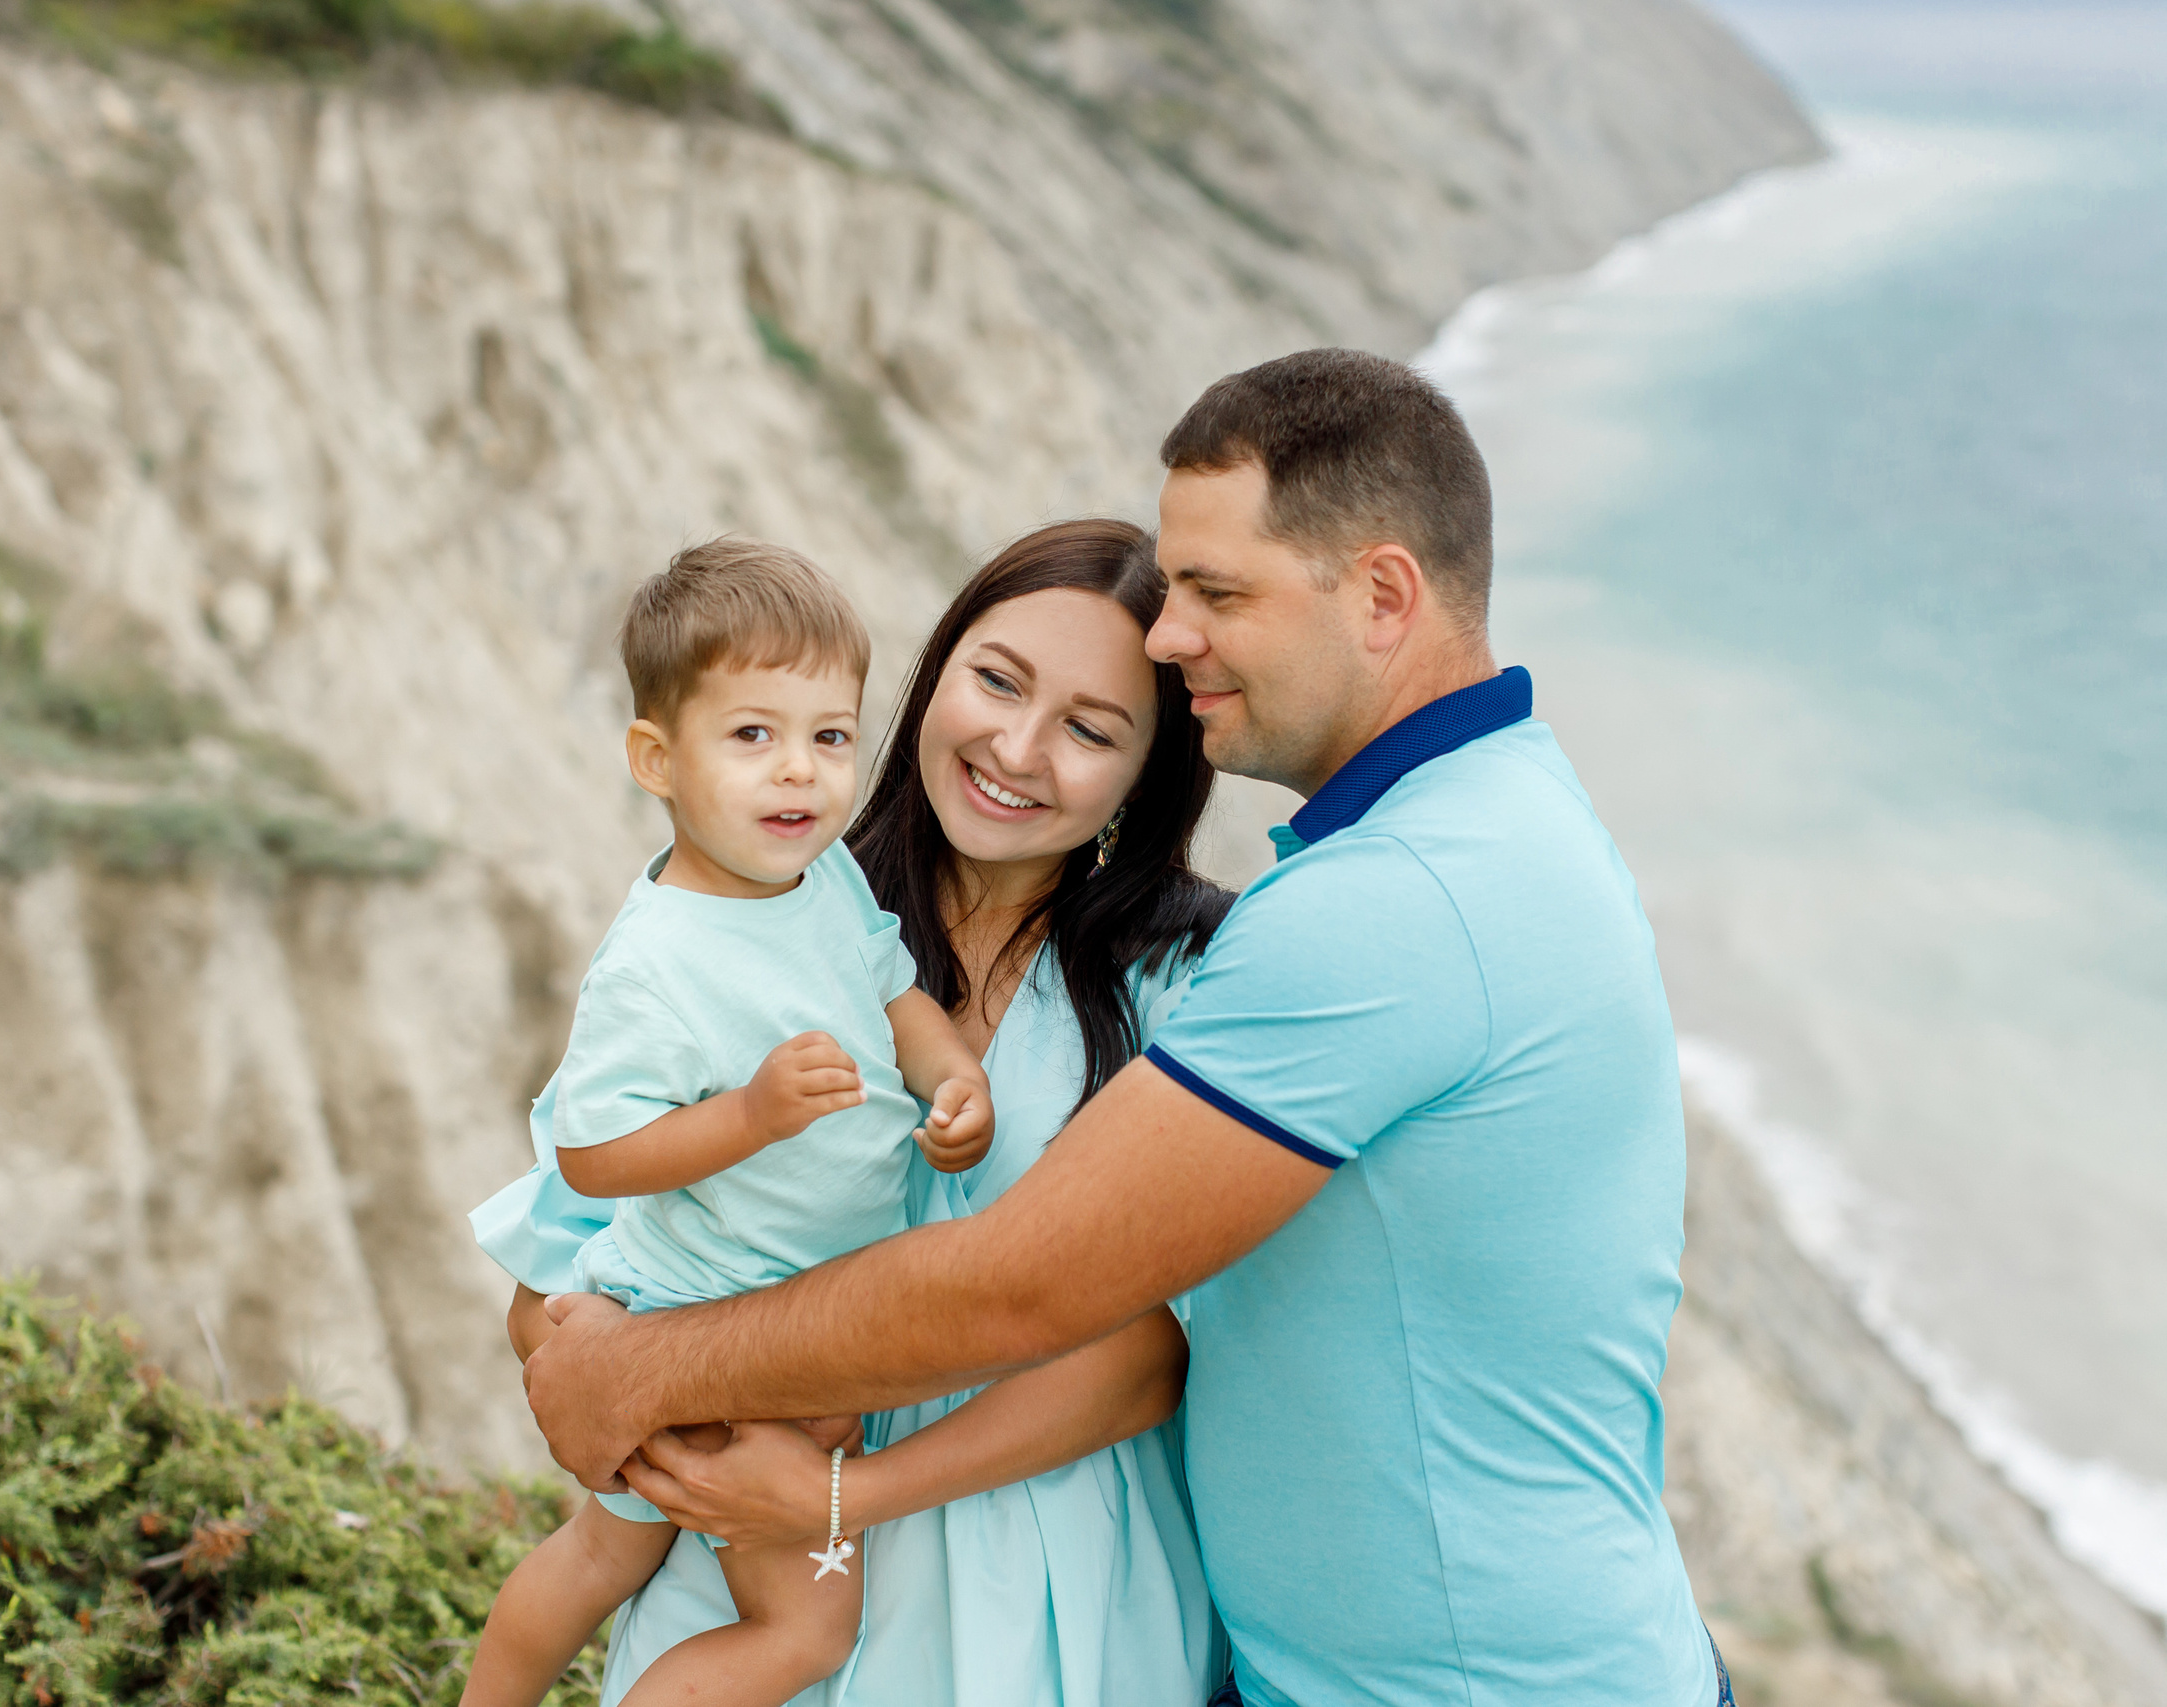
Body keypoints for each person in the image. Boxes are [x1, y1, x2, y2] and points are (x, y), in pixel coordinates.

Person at [521, 349, 1733, 1707]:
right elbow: (573, 1216)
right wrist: (606, 1368)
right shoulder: (758, 922)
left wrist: (690, 1395)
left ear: (1384, 595)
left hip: (1225, 1633)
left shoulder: (1332, 921)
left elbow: (1046, 1297)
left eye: (1216, 595)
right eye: (995, 680)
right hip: (801, 1570)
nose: (1171, 633)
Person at [474, 518, 1234, 1704]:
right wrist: (627, 1390)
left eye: (1090, 730)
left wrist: (842, 1496)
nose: (1017, 749)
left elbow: (1147, 1358)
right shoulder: (763, 901)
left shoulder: (1187, 980)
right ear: (930, 678)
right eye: (996, 682)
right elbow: (564, 1252)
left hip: (1042, 1579)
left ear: (1149, 774)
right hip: (741, 1534)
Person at [461, 538, 998, 1707]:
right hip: (714, 1322)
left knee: (608, 1555)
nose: (798, 771)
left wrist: (951, 1075)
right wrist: (746, 1117)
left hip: (795, 1307)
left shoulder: (826, 878)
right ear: (657, 760)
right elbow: (593, 1157)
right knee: (791, 1625)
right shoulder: (654, 963)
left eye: (829, 736)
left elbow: (892, 986)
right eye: (751, 735)